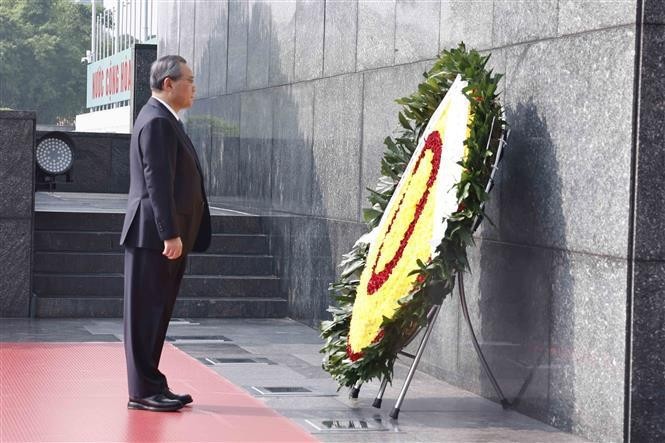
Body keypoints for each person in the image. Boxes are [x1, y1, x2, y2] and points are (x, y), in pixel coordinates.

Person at [119, 55, 211, 412]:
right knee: (145, 315)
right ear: (168, 84)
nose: (194, 88)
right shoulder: (157, 122)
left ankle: (151, 384)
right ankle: (142, 391)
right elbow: (157, 184)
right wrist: (170, 234)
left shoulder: (165, 120)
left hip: (162, 236)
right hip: (153, 237)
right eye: (189, 80)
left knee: (155, 314)